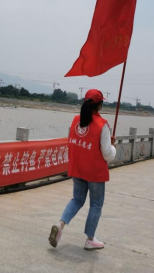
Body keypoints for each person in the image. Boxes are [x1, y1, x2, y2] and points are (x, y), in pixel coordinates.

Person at [49, 89, 117, 250]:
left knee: (77, 199)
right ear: (100, 106)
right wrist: (113, 146)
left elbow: (73, 141)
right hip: (94, 172)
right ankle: (90, 239)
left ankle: (60, 224)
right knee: (96, 205)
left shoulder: (75, 120)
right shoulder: (102, 125)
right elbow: (108, 154)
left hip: (78, 168)